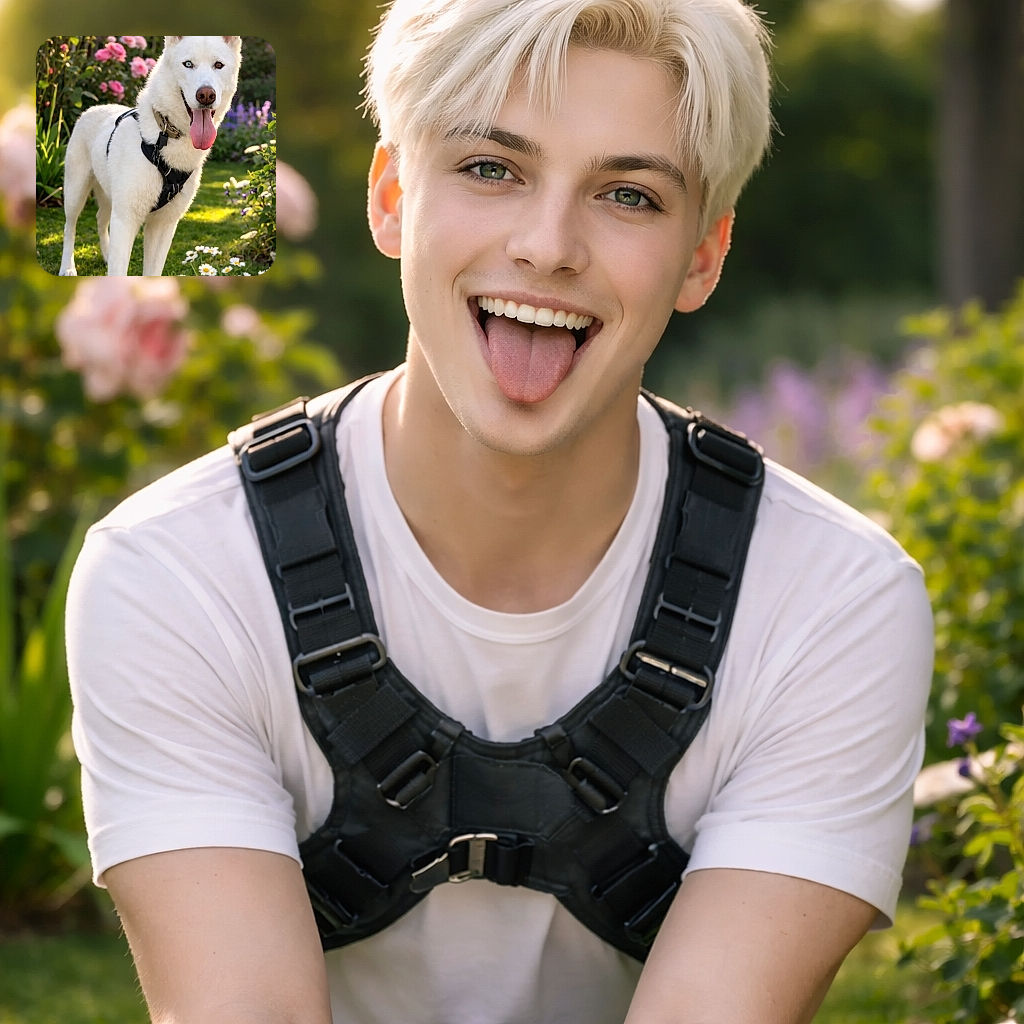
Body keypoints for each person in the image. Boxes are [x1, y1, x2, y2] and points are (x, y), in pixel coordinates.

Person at [65, 0, 934, 1021]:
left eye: (629, 194)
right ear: (391, 196)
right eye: (491, 169)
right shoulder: (176, 574)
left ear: (703, 255)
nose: (547, 245)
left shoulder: (832, 603)